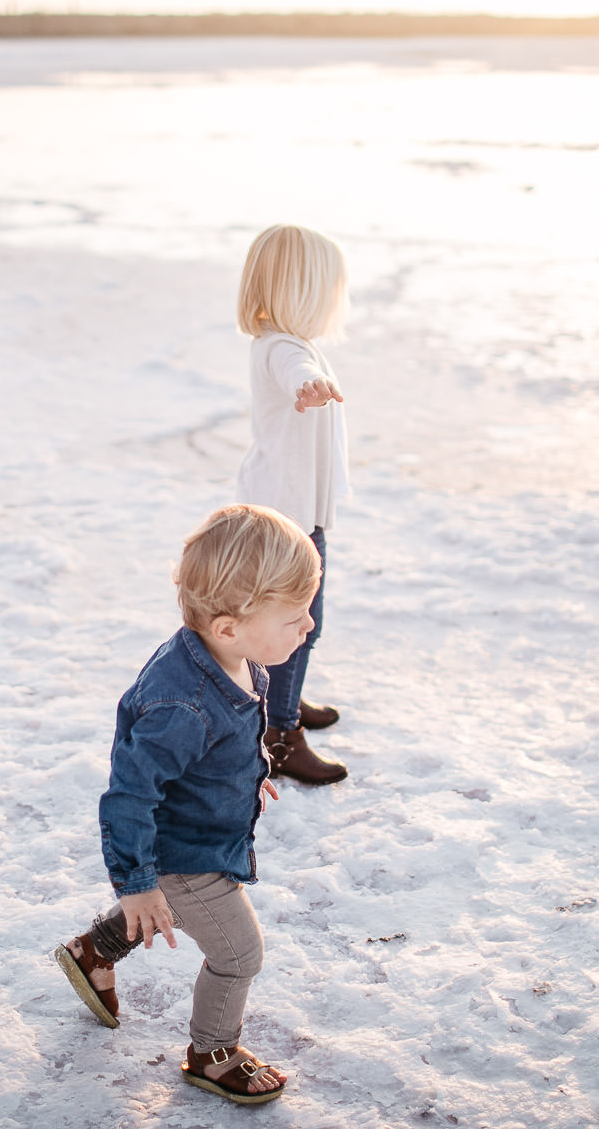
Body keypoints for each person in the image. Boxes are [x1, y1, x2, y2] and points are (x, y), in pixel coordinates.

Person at [53, 504, 318, 1105]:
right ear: (228, 626)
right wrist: (137, 882)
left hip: (200, 827)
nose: (308, 626)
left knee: (168, 903)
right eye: (296, 616)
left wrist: (247, 774)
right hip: (185, 851)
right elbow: (129, 795)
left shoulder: (234, 657)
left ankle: (95, 949)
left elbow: (218, 746)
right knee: (238, 953)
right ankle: (212, 1052)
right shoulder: (183, 705)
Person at [232, 224, 353, 785]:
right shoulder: (285, 351)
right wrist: (310, 384)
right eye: (331, 290)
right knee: (296, 623)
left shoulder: (289, 344)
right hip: (287, 522)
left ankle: (287, 694)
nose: (337, 301)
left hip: (295, 511)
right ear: (302, 291)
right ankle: (279, 735)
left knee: (301, 624)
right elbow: (295, 375)